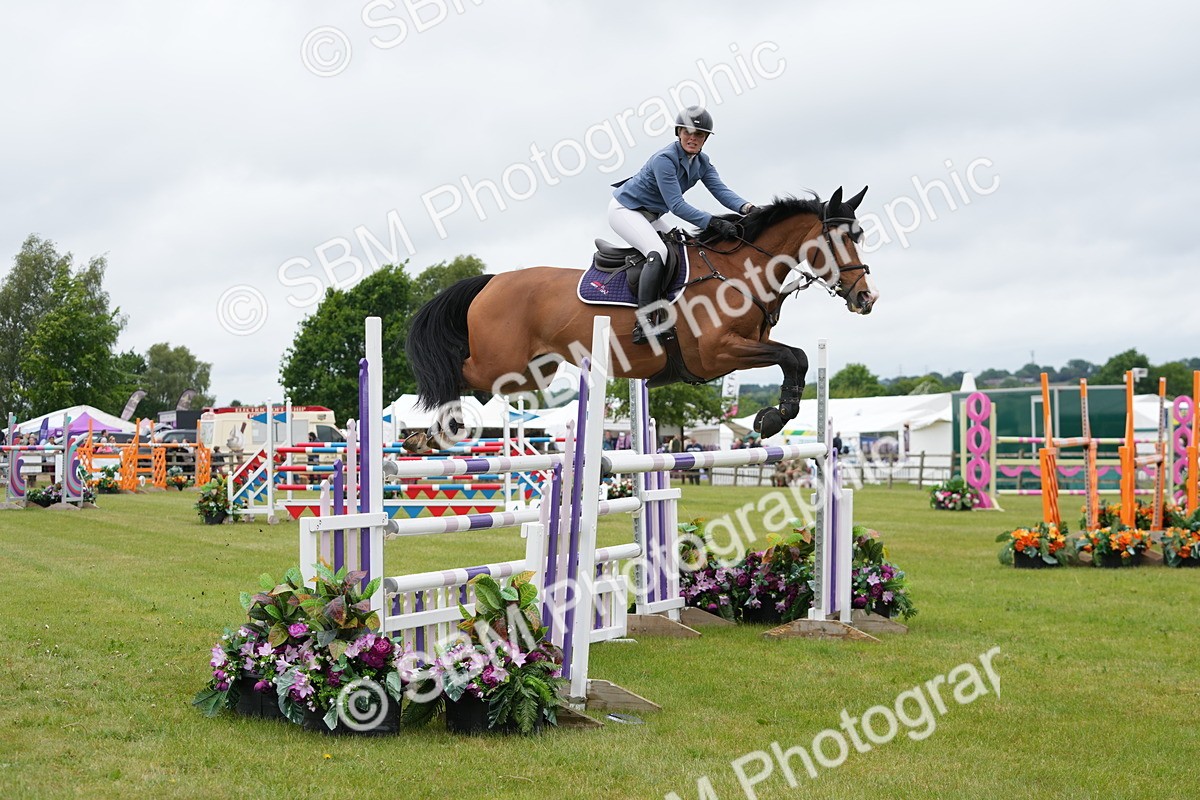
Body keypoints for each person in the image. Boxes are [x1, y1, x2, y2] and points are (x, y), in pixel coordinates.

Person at [609, 106, 755, 344]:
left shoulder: (702, 163)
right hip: (625, 211)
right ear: (678, 133)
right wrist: (714, 223)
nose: (692, 138)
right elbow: (676, 205)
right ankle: (644, 323)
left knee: (685, 250)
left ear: (705, 139)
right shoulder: (664, 160)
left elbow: (721, 191)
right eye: (688, 132)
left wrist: (748, 208)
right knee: (658, 253)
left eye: (699, 134)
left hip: (651, 216)